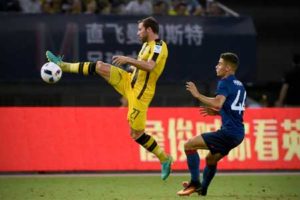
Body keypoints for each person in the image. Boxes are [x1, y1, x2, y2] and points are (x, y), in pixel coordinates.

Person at [46, 16, 172, 180]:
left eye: (140, 29)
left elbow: (150, 66)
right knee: (100, 66)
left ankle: (165, 158)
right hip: (129, 81)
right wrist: (131, 64)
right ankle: (63, 65)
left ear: (149, 30)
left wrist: (128, 59)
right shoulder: (145, 46)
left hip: (141, 93)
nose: (137, 33)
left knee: (136, 133)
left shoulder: (159, 46)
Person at [177, 52, 247, 196]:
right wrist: (217, 113)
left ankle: (195, 183)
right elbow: (234, 108)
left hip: (228, 133)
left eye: (220, 64)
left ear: (227, 68)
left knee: (189, 145)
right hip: (238, 134)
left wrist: (197, 95)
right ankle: (203, 189)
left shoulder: (225, 82)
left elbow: (218, 102)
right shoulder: (239, 85)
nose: (216, 66)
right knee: (210, 159)